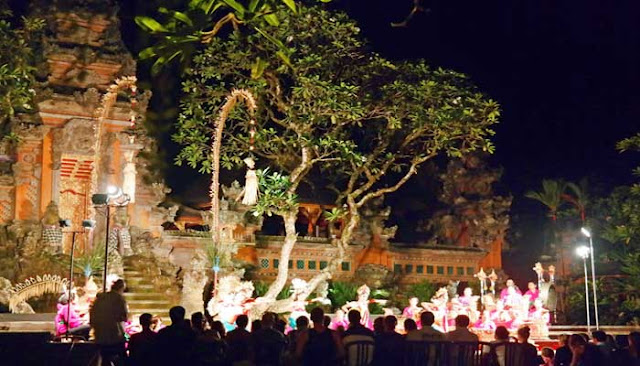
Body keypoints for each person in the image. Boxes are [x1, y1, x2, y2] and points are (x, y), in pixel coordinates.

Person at [90, 279, 128, 366]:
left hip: (100, 335)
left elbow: (92, 316)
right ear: (121, 288)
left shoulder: (100, 298)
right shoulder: (119, 299)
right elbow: (124, 317)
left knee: (105, 359)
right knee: (121, 359)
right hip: (115, 335)